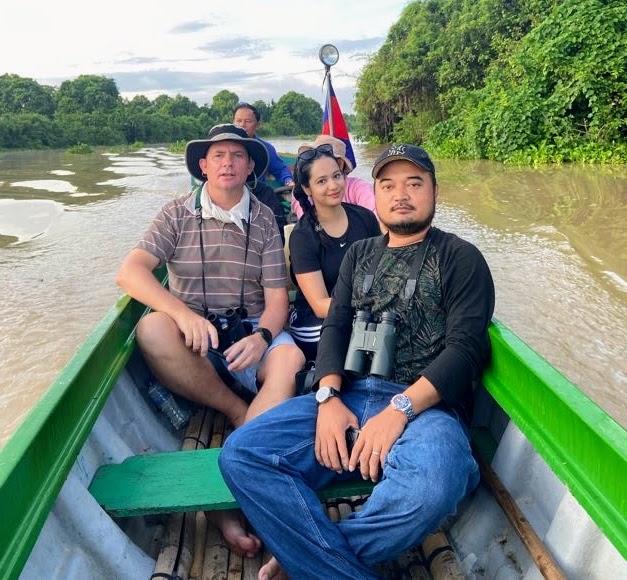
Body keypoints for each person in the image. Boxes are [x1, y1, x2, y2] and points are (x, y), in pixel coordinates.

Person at [219, 143, 495, 579]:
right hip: (349, 394)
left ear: (435, 192)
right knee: (242, 454)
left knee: (433, 485)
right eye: (388, 185)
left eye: (414, 183)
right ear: (377, 195)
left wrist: (399, 410)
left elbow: (464, 349)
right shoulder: (360, 254)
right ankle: (324, 562)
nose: (400, 193)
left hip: (426, 407)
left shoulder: (460, 258)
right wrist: (328, 396)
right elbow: (336, 327)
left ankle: (307, 558)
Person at [116, 123, 304, 557]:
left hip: (249, 334)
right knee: (151, 327)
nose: (227, 163)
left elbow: (278, 301)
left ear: (250, 166)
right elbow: (130, 273)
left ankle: (226, 491)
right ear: (203, 166)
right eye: (218, 155)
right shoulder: (175, 213)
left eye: (238, 156)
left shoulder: (265, 219)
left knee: (289, 357)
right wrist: (182, 313)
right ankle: (238, 411)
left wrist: (261, 337)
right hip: (196, 341)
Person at [288, 143, 380, 362]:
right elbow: (320, 305)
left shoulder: (364, 218)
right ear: (307, 189)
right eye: (322, 181)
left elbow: (383, 269)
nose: (333, 186)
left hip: (363, 311)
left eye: (336, 176)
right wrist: (370, 306)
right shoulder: (303, 236)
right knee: (355, 341)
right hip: (315, 319)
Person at [290, 135, 376, 220]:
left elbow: (376, 216)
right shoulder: (303, 189)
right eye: (322, 181)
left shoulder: (359, 187)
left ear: (340, 163)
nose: (333, 187)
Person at [233, 102, 294, 187]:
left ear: (258, 125)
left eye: (248, 121)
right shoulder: (223, 145)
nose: (242, 125)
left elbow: (279, 169)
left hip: (255, 192)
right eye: (238, 121)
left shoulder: (265, 148)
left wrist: (288, 181)